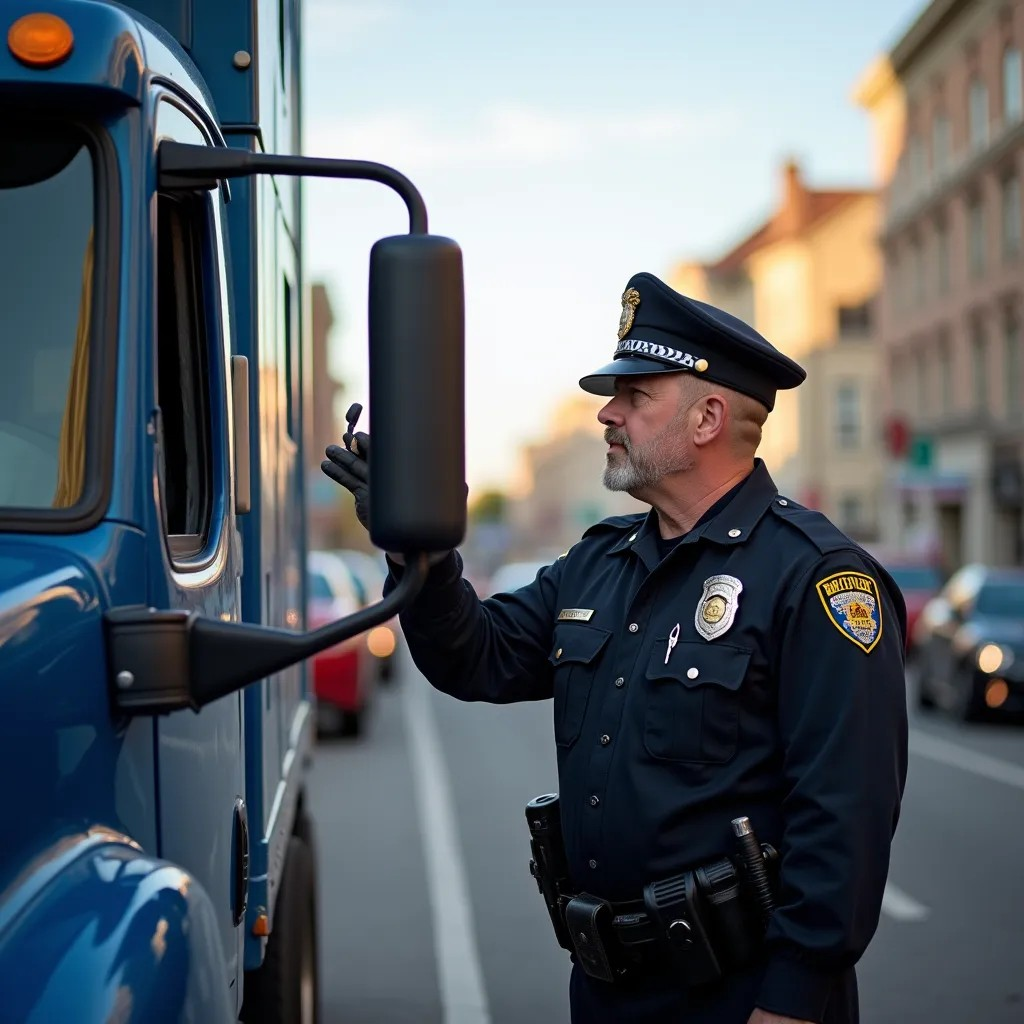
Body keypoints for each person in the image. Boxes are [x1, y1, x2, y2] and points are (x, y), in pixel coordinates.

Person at [322, 271, 909, 1024]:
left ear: (706, 418)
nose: (608, 413)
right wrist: (417, 541)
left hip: (742, 1000)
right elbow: (477, 656)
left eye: (635, 396)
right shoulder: (600, 563)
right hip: (606, 989)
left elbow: (846, 819)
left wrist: (792, 1001)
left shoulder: (814, 579)